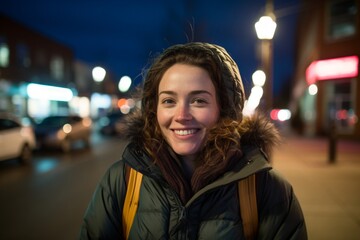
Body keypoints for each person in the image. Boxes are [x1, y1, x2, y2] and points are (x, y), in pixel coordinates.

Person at [79, 42, 307, 239]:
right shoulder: (123, 182)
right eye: (169, 101)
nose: (181, 115)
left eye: (198, 101)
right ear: (153, 109)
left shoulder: (266, 190)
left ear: (224, 108)